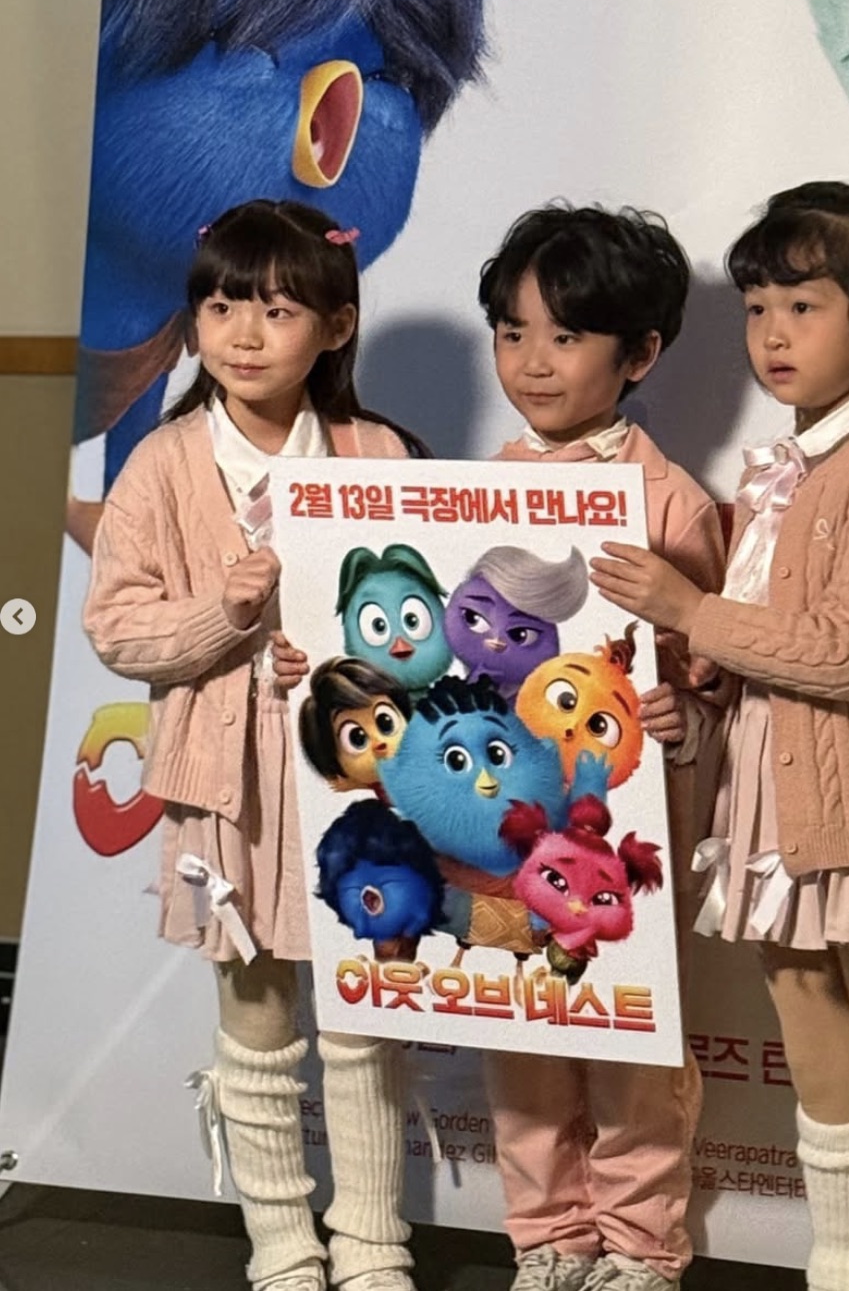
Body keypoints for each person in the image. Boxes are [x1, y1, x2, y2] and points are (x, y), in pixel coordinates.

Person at [591, 181, 849, 1291]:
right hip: (776, 812)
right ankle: (845, 1269)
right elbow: (764, 647)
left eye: (804, 307)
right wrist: (698, 676)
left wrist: (692, 613)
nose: (772, 334)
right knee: (819, 1075)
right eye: (758, 308)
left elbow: (845, 653)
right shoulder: (786, 466)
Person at [83, 199, 425, 1291]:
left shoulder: (378, 453)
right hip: (228, 784)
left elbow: (423, 623)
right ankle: (279, 1238)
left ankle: (372, 1239)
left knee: (365, 1014)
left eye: (277, 310)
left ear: (334, 325)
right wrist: (225, 618)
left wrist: (348, 655)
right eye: (222, 304)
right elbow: (116, 628)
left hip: (356, 780)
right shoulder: (164, 462)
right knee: (256, 1007)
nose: (242, 333)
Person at [478, 203, 727, 1291]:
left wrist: (683, 716)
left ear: (640, 354)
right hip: (503, 819)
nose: (532, 362)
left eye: (565, 335)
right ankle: (546, 1234)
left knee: (632, 1025)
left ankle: (638, 1243)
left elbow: (717, 673)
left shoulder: (671, 504)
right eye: (512, 331)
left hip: (626, 830)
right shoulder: (469, 491)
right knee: (520, 1022)